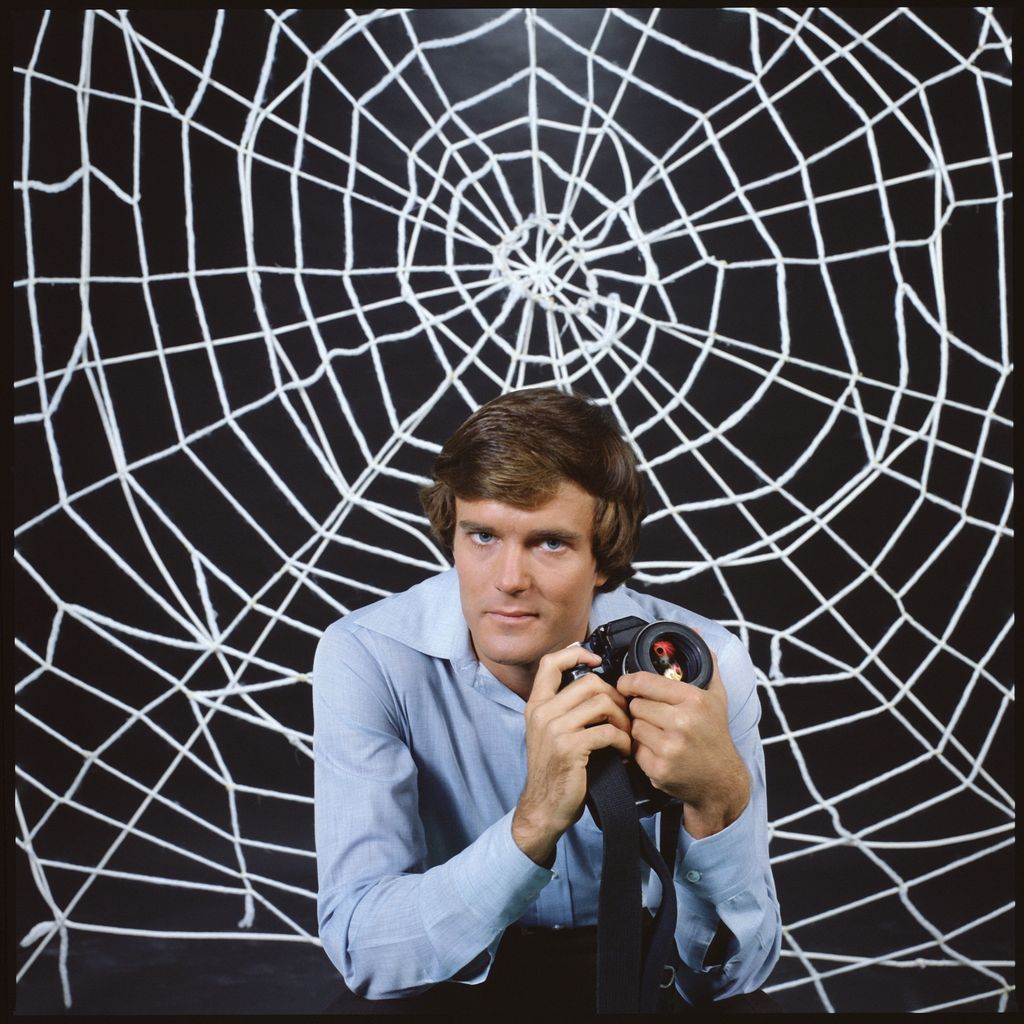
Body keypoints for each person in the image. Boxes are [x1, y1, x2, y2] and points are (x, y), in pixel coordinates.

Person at [313, 388, 781, 1013]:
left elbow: (732, 981)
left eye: (550, 543)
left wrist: (719, 803)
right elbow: (365, 955)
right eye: (482, 536)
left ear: (604, 560)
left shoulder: (701, 664)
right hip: (456, 967)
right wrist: (531, 823)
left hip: (643, 960)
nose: (508, 579)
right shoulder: (369, 656)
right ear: (451, 536)